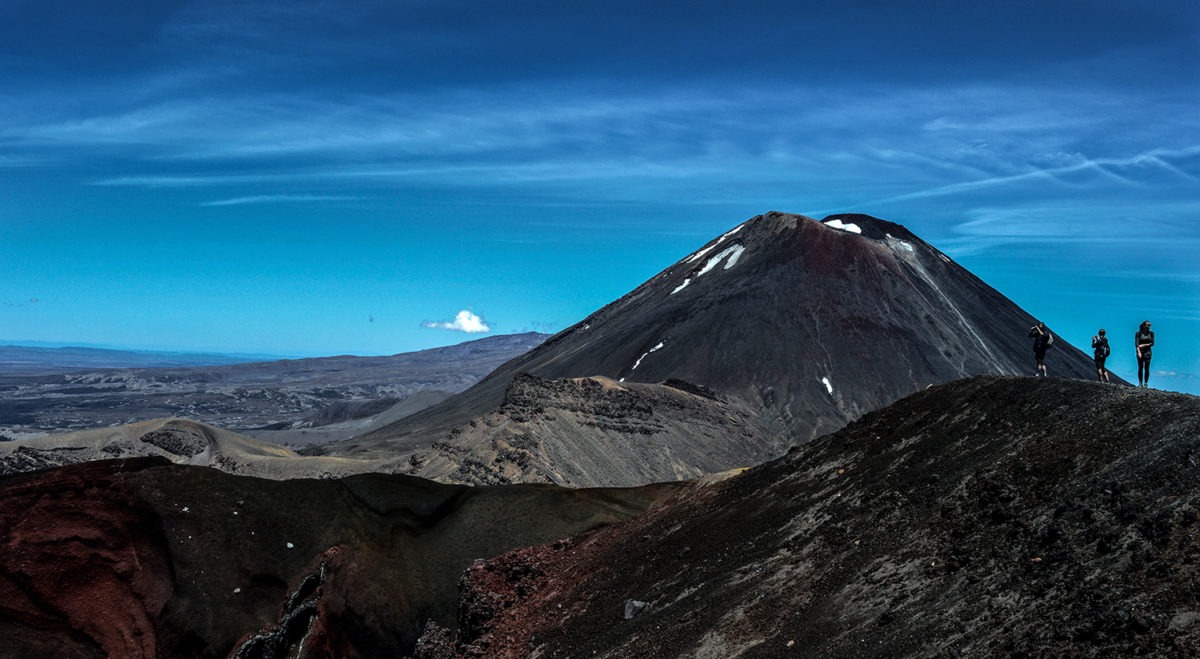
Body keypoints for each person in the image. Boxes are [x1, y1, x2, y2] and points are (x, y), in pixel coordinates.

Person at [1135, 320, 1155, 388]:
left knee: (1147, 368)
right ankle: (1140, 383)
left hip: (1148, 353)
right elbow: (1137, 344)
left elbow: (1152, 343)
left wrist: (1144, 345)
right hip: (1140, 352)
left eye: (1150, 325)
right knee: (1140, 368)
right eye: (1147, 325)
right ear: (1144, 325)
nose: (1149, 327)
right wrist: (1139, 352)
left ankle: (1146, 383)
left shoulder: (1151, 333)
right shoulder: (1138, 333)